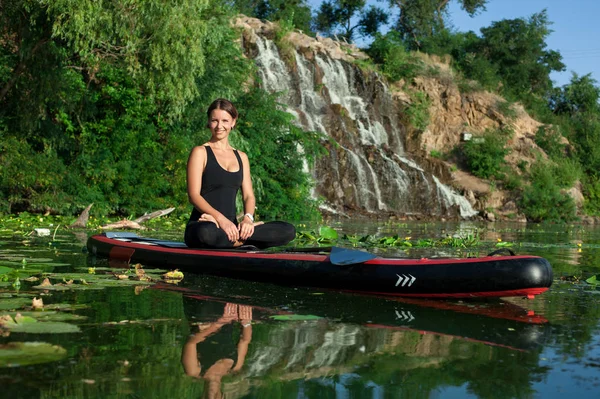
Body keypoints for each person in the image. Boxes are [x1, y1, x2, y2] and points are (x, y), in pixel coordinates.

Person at [184, 98, 296, 249]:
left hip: (233, 227)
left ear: (233, 122)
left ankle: (236, 238)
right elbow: (194, 196)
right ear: (209, 122)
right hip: (204, 224)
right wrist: (220, 220)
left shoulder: (241, 157)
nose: (219, 126)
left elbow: (248, 195)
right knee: (206, 234)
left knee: (288, 230)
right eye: (214, 120)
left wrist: (248, 219)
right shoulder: (200, 152)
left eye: (225, 120)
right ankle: (243, 241)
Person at [181, 303, 253, 399]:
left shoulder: (193, 370)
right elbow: (245, 340)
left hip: (202, 312)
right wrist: (246, 322)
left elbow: (191, 342)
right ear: (223, 397)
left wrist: (217, 324)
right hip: (229, 315)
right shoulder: (236, 366)